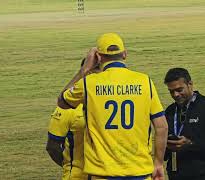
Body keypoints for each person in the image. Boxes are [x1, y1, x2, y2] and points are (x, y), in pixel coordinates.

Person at [57, 33, 168, 180]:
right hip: (139, 172)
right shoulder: (144, 81)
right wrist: (158, 163)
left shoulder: (89, 83)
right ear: (125, 54)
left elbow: (62, 101)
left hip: (102, 173)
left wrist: (84, 70)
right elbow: (162, 127)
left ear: (99, 57)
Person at [163, 68, 205, 180]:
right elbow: (164, 151)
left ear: (190, 84)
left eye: (179, 89)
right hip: (177, 175)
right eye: (171, 91)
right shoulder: (170, 111)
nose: (175, 94)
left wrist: (190, 144)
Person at [46, 58, 101, 180]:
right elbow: (52, 147)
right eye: (96, 69)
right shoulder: (65, 107)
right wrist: (70, 166)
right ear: (85, 73)